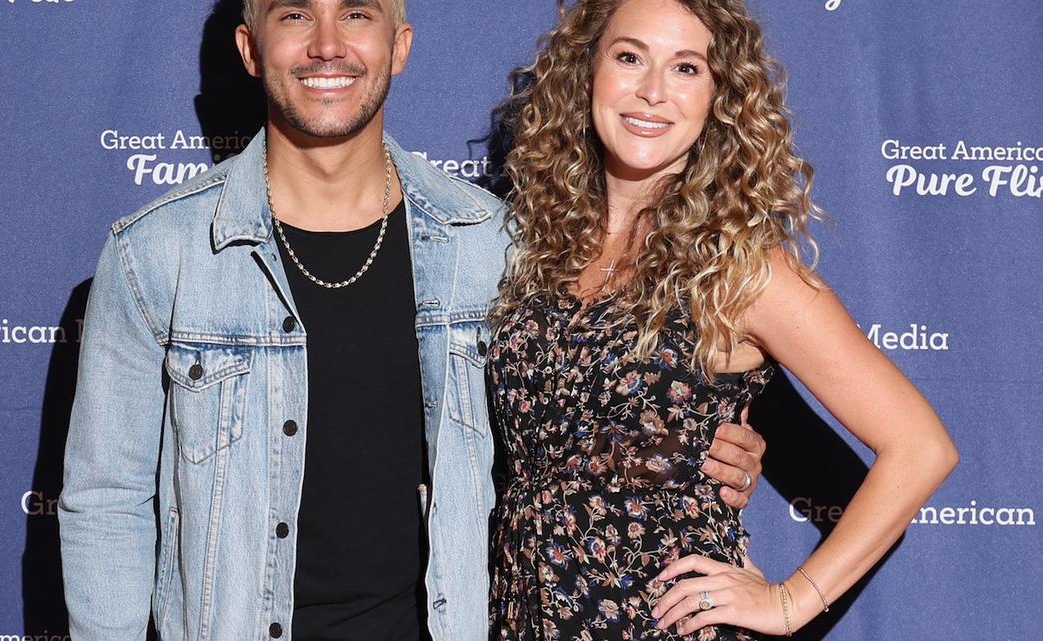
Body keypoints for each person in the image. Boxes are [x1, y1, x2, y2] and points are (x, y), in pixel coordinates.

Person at [57, 1, 766, 640]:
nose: (328, 45)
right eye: (296, 16)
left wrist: (687, 442)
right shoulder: (156, 254)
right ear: (250, 48)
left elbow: (576, 412)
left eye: (358, 15)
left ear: (400, 46)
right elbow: (107, 503)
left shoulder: (492, 243)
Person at [485, 0, 958, 639]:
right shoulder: (530, 248)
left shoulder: (737, 268)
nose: (652, 93)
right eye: (629, 58)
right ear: (585, 71)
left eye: (685, 68)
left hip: (663, 623)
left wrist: (790, 601)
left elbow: (921, 447)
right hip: (520, 616)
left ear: (718, 97)